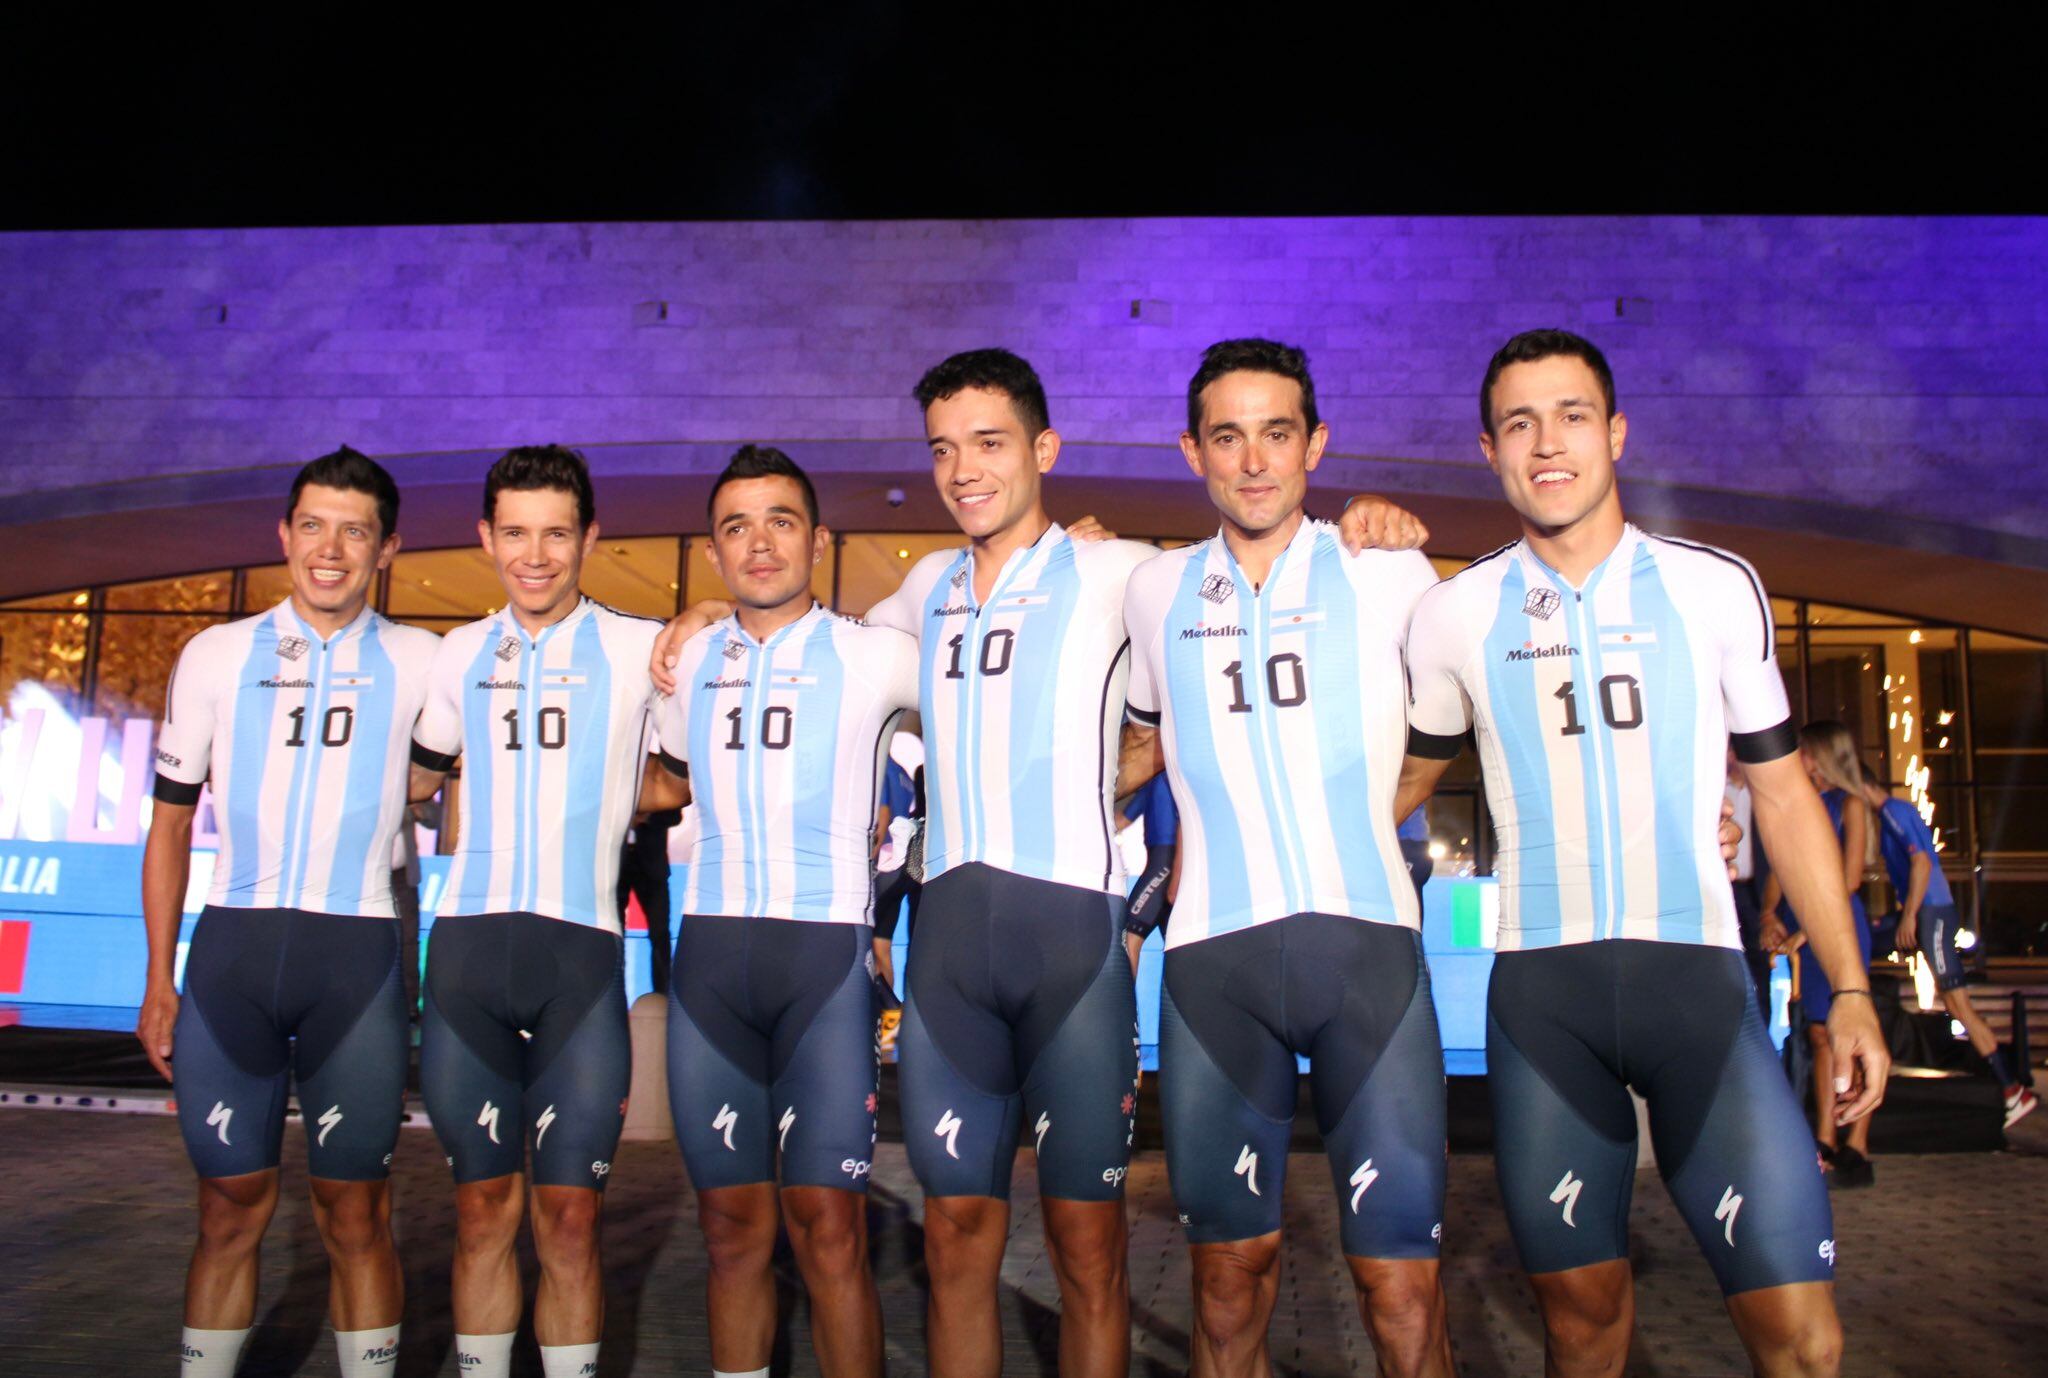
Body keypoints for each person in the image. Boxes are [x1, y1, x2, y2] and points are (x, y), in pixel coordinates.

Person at [1392, 329, 1887, 1378]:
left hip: (1696, 996)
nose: (1546, 443)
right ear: (1487, 449)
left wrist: (1849, 988)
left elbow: (1785, 793)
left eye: (1570, 414)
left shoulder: (1712, 588)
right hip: (1541, 1008)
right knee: (1578, 1330)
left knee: (1802, 1341)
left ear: (1613, 432)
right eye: (1517, 423)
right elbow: (1399, 784)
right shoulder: (1449, 615)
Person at [1120, 338, 1454, 1377]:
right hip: (1215, 969)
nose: (1253, 460)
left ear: (1316, 443)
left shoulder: (1388, 566)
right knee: (1226, 1279)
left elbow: (1457, 729)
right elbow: (1130, 746)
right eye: (1228, 436)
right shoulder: (1147, 588)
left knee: (1398, 1284)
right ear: (1192, 452)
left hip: (1367, 963)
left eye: (1276, 433)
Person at [138, 448, 433, 1378]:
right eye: (313, 525)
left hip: (360, 965)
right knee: (228, 1208)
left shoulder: (426, 661)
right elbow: (170, 830)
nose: (330, 549)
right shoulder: (214, 655)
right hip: (233, 957)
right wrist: (157, 979)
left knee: (357, 1213)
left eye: (355, 530)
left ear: (387, 548)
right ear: (284, 534)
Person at [649, 445, 918, 1378]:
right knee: (730, 1229)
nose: (759, 544)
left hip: (826, 966)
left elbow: (984, 725)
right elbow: (661, 784)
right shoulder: (684, 664)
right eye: (736, 527)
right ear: (715, 551)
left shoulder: (878, 655)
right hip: (713, 964)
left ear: (819, 538)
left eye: (781, 521)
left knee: (829, 1229)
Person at [407, 445, 669, 1378]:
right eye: (515, 533)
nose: (536, 555)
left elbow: (690, 757)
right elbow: (413, 780)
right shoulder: (457, 652)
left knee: (569, 1219)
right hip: (469, 961)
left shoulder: (643, 647)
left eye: (557, 534)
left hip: (580, 967)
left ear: (590, 537)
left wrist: (711, 612)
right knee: (480, 1213)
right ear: (485, 538)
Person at [1859, 762, 2036, 1126]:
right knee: (1955, 1003)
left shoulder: (1892, 811)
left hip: (1932, 914)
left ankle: (2012, 1090)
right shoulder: (1896, 811)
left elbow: (1922, 863)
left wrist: (1909, 917)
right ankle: (2011, 1086)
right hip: (1928, 913)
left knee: (1958, 1004)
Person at [1759, 721, 1879, 1187]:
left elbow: (1848, 881)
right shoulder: (1802, 803)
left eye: (1805, 752)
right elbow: (1778, 867)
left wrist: (1805, 932)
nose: (1799, 760)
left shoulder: (1850, 804)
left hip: (1837, 928)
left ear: (1822, 754)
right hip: (1802, 929)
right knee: (1817, 1035)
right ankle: (1826, 1136)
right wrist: (1769, 914)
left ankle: (1858, 1145)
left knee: (1846, 1029)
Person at [617, 804, 681, 996]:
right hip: (617, 864)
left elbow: (674, 815)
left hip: (652, 866)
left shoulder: (658, 779)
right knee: (614, 933)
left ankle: (663, 995)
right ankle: (613, 993)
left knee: (660, 933)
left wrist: (645, 817)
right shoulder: (615, 778)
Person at [1120, 771, 1179, 972]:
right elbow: (1120, 821)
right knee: (1174, 944)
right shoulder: (1152, 779)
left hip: (1166, 863)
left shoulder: (1173, 776)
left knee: (1129, 936)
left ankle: (1123, 1002)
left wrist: (1176, 876)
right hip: (1161, 860)